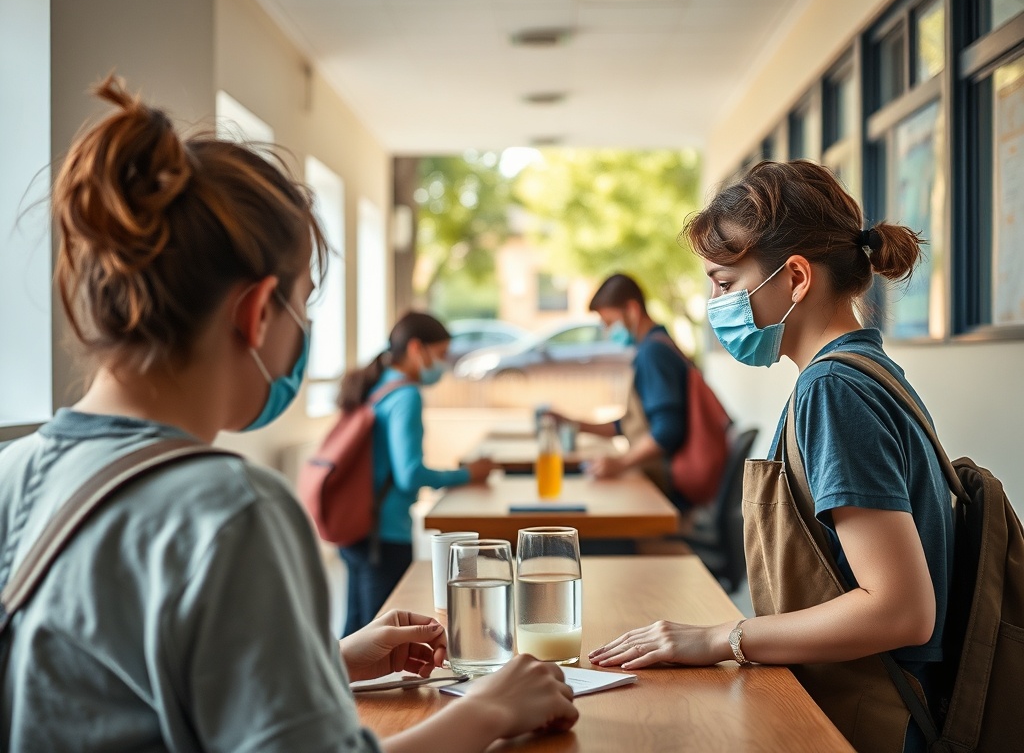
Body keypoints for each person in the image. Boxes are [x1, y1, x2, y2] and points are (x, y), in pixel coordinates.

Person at [0, 76, 576, 753]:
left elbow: (113, 700)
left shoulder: (14, 471)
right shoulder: (233, 510)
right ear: (257, 311)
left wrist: (328, 659)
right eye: (303, 303)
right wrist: (488, 709)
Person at [589, 160, 954, 753]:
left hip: (881, 723)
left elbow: (900, 610)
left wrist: (720, 639)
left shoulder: (833, 391)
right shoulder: (865, 371)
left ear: (796, 278)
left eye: (726, 284)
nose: (715, 303)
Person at [336, 312, 495, 635]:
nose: (443, 365)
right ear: (415, 349)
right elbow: (410, 475)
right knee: (378, 634)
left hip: (356, 526)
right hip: (384, 534)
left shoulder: (377, 386)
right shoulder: (406, 395)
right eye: (440, 355)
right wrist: (468, 474)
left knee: (354, 630)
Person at [551, 274, 693, 509]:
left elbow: (667, 430)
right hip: (657, 481)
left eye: (609, 322)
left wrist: (621, 463)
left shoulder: (653, 353)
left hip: (665, 487)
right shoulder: (654, 345)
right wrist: (574, 423)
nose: (607, 331)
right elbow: (631, 424)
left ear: (631, 309)